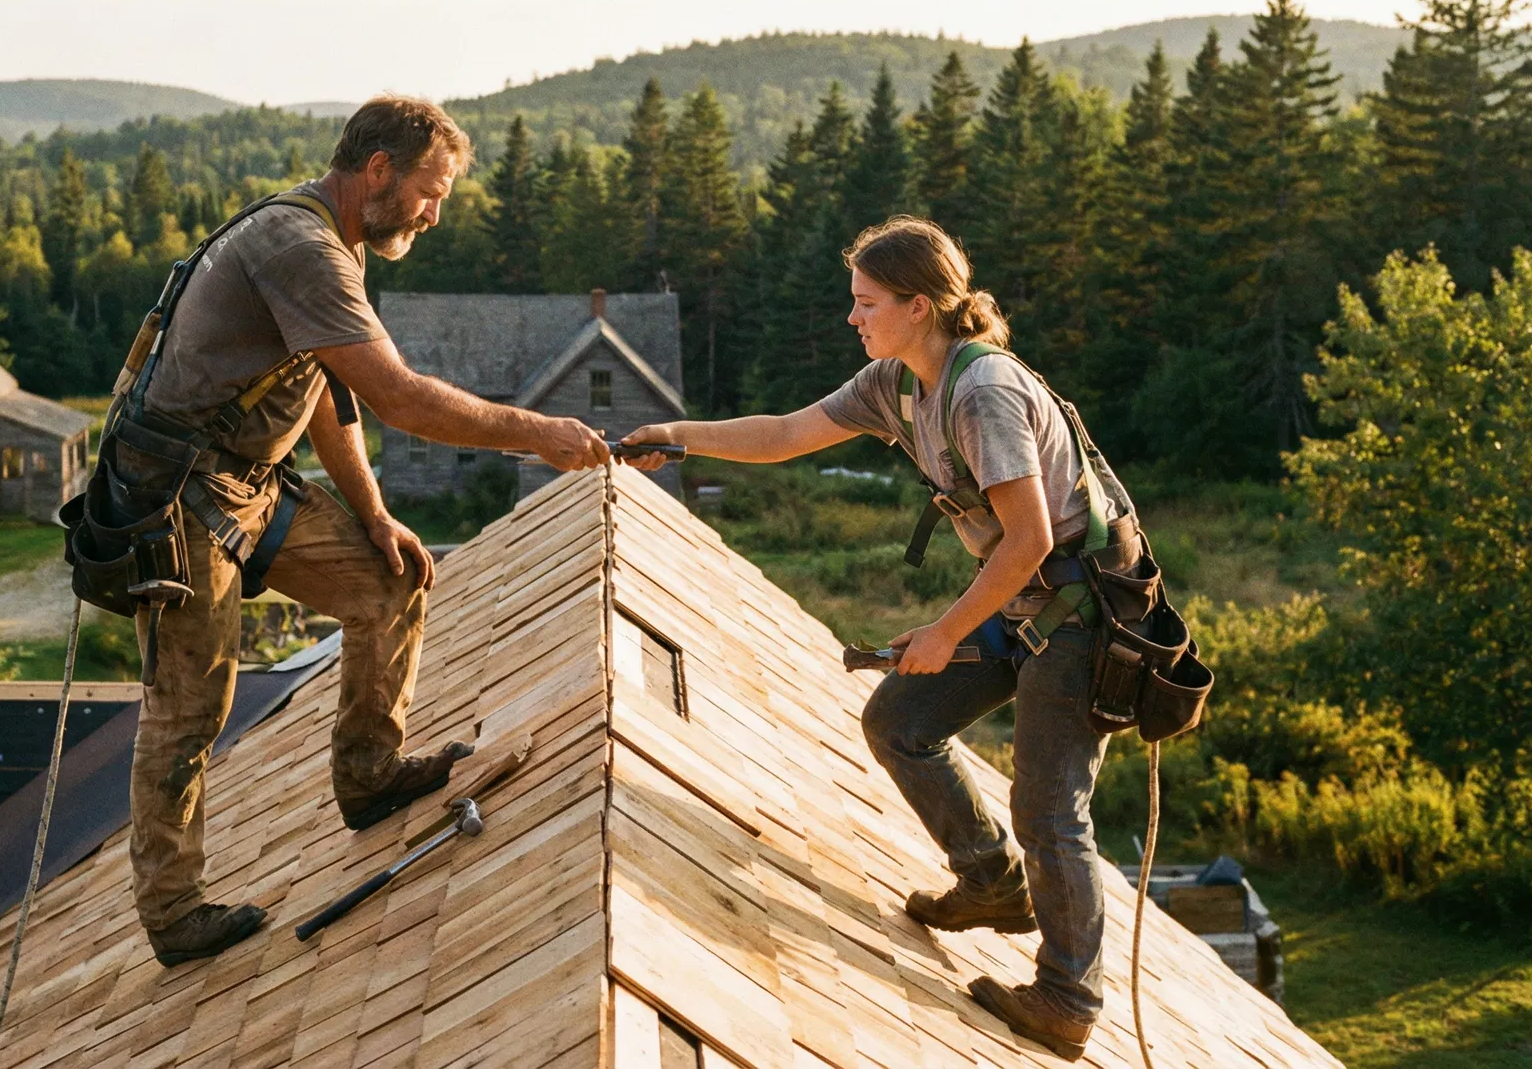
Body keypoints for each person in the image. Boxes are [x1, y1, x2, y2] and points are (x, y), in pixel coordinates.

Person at [623, 215, 1139, 1060]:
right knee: (899, 723)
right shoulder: (894, 383)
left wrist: (944, 631)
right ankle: (992, 884)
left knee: (1049, 808)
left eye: (867, 304)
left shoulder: (983, 393)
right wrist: (676, 438)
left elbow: (1031, 540)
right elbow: (789, 433)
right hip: (1024, 605)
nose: (853, 319)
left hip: (1083, 616)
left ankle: (1067, 998)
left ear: (922, 305)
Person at [121, 96, 611, 966]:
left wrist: (374, 514)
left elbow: (331, 400)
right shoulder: (300, 247)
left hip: (248, 486)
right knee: (193, 705)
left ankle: (370, 776)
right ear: (377, 171)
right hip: (179, 495)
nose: (435, 213)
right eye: (432, 192)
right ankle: (172, 911)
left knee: (390, 581)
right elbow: (399, 397)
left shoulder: (335, 241)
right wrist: (537, 432)